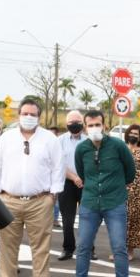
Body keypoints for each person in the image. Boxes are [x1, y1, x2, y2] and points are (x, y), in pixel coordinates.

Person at [0, 99, 63, 277]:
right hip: (8, 200)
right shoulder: (6, 138)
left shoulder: (50, 139)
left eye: (33, 114)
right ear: (18, 114)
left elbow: (58, 167)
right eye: (25, 113)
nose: (28, 117)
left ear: (39, 117)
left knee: (41, 246)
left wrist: (53, 194)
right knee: (7, 246)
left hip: (39, 201)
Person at [63, 111, 136, 277]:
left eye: (98, 124)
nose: (94, 128)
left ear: (104, 125)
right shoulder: (82, 149)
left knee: (119, 247)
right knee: (83, 246)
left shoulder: (118, 146)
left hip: (115, 203)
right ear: (86, 127)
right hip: (90, 203)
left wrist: (115, 186)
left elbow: (131, 173)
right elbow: (82, 172)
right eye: (91, 125)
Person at [57, 110, 86, 261]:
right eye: (71, 122)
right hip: (66, 183)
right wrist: (74, 177)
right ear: (66, 124)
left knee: (88, 218)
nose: (74, 124)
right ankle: (68, 248)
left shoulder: (89, 140)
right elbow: (58, 164)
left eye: (77, 121)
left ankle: (89, 248)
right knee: (67, 220)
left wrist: (82, 177)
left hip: (86, 183)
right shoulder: (59, 140)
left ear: (83, 123)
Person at [124, 123, 140, 259]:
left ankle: (130, 251)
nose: (133, 136)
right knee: (119, 220)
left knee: (134, 221)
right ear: (127, 134)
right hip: (120, 191)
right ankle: (118, 250)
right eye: (131, 133)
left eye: (136, 134)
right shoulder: (122, 151)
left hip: (137, 192)